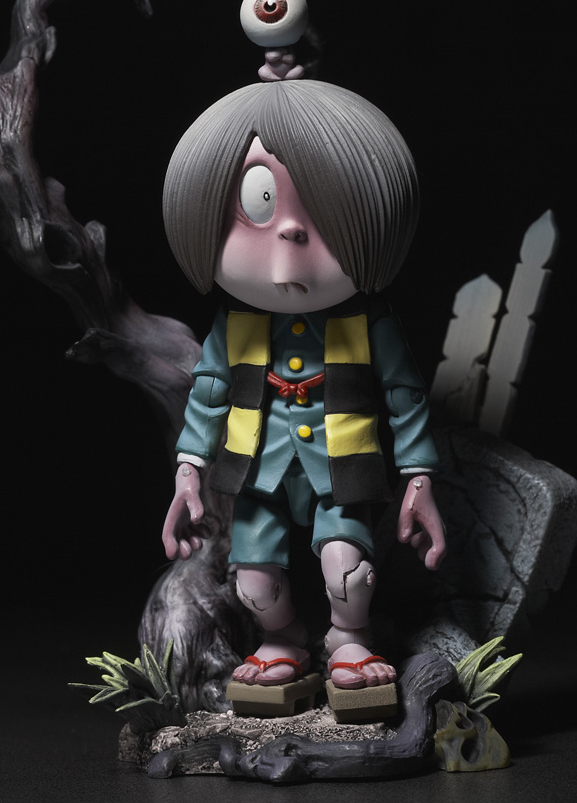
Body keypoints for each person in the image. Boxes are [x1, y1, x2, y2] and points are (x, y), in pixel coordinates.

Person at [161, 77, 445, 690]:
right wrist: (188, 471)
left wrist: (419, 477)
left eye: (320, 209)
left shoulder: (367, 322)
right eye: (259, 201)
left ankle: (348, 637)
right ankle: (283, 639)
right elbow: (208, 391)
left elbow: (405, 397)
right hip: (258, 472)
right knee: (254, 584)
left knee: (348, 573)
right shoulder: (235, 323)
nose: (291, 230)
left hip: (341, 468)